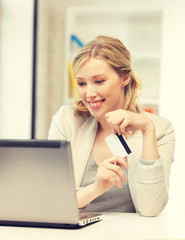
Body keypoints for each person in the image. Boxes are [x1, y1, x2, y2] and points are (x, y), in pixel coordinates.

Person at [48, 35, 175, 216]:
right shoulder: (67, 120)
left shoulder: (160, 129)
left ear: (125, 78)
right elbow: (52, 200)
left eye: (99, 81)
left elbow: (151, 209)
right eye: (82, 83)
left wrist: (147, 129)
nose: (89, 93)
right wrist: (96, 188)